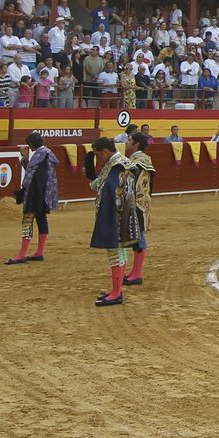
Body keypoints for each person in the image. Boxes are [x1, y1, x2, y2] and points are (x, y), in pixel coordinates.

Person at [86, 135, 139, 307]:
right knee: (120, 253)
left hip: (114, 216)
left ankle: (116, 293)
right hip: (122, 214)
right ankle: (116, 290)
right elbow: (98, 185)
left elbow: (109, 192)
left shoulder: (117, 166)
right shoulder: (118, 163)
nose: (98, 158)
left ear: (106, 151)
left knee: (115, 253)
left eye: (98, 155)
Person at [6, 133, 58, 265]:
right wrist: (25, 158)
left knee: (27, 220)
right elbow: (34, 171)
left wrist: (26, 193)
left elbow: (33, 176)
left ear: (30, 145)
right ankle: (39, 252)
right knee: (41, 219)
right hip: (44, 193)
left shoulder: (41, 154)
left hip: (35, 193)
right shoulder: (47, 154)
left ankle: (22, 254)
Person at [123, 128, 155, 285]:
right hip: (140, 202)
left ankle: (137, 274)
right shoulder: (141, 159)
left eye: (129, 140)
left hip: (137, 204)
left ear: (136, 144)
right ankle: (134, 272)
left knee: (139, 237)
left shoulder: (138, 162)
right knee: (137, 237)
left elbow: (135, 186)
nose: (126, 142)